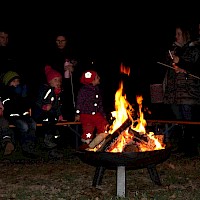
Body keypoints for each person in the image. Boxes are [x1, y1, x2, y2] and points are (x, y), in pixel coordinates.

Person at [162, 22, 200, 157]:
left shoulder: (194, 49)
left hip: (188, 93)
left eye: (179, 34)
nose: (176, 36)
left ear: (186, 35)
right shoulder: (176, 49)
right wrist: (172, 55)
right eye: (175, 34)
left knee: (189, 122)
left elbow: (194, 67)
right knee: (179, 122)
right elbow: (168, 66)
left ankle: (191, 149)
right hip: (174, 94)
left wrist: (181, 63)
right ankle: (182, 146)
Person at [0, 70, 39, 159]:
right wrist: (16, 97)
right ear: (8, 83)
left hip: (23, 115)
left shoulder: (21, 92)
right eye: (14, 81)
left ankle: (30, 147)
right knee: (24, 126)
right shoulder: (6, 93)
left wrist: (24, 97)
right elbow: (9, 108)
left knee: (33, 124)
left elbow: (27, 105)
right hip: (13, 116)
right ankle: (25, 149)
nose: (16, 83)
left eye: (17, 81)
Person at [45, 32, 79, 121]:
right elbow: (48, 68)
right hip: (56, 85)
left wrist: (73, 69)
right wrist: (61, 67)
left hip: (70, 86)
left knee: (70, 106)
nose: (60, 43)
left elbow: (80, 68)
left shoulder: (73, 52)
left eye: (62, 41)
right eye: (58, 41)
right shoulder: (50, 53)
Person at [32, 65, 64, 159]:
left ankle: (53, 146)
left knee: (54, 123)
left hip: (51, 114)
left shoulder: (57, 92)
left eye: (59, 80)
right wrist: (44, 106)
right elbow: (38, 101)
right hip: (40, 113)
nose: (58, 82)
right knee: (49, 122)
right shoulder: (45, 89)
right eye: (55, 80)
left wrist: (60, 114)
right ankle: (48, 142)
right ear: (49, 81)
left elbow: (57, 105)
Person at [75, 70, 109, 145]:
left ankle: (101, 138)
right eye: (97, 77)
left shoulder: (96, 89)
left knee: (103, 124)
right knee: (88, 129)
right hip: (86, 114)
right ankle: (87, 143)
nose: (99, 78)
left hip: (96, 113)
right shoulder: (84, 90)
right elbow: (79, 103)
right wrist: (77, 114)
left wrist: (102, 114)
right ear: (92, 80)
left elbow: (99, 103)